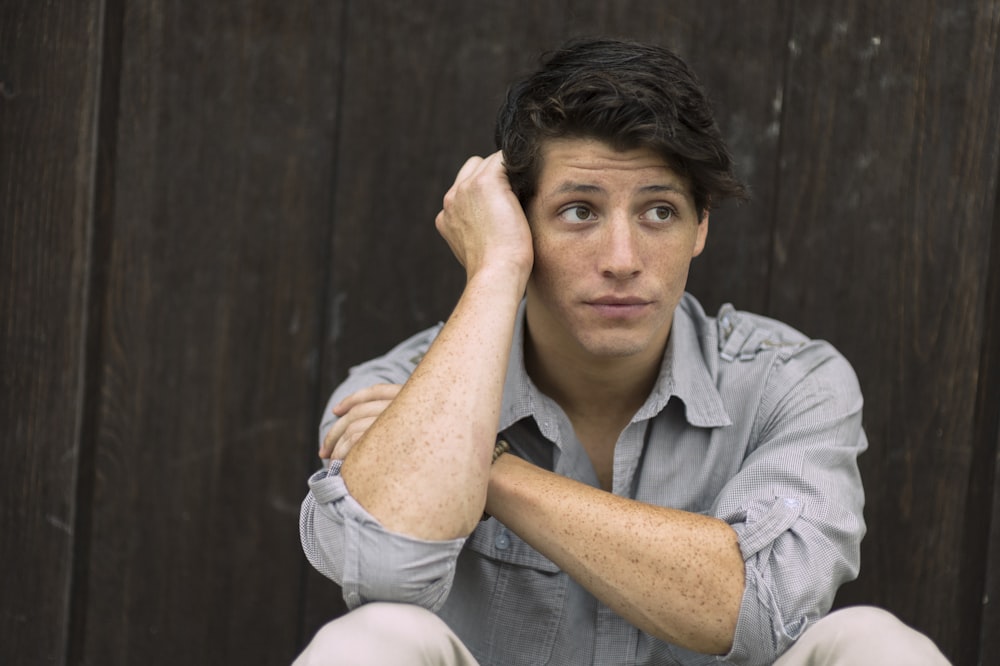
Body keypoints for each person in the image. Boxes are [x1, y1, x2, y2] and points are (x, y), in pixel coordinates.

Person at [295, 38, 949, 665]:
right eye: (579, 211)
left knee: (877, 644)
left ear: (701, 228)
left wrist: (488, 470)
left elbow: (752, 611)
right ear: (519, 224)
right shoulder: (404, 387)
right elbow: (382, 567)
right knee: (376, 639)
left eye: (658, 212)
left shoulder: (790, 383)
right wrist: (495, 269)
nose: (621, 261)